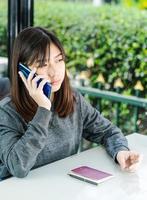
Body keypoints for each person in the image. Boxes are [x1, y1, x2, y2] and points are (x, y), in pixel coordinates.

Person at [0, 27, 141, 179]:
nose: (55, 72)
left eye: (59, 60)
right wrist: (43, 109)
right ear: (23, 70)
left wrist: (120, 151)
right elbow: (18, 166)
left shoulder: (73, 100)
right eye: (42, 64)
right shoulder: (7, 112)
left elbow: (108, 132)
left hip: (64, 188)